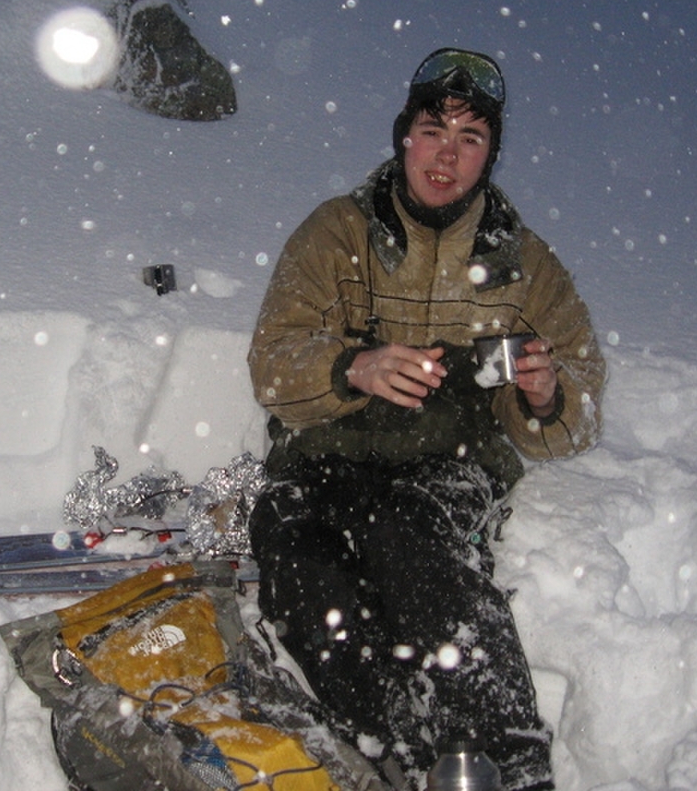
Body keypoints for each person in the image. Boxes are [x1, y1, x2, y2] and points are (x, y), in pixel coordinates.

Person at [246, 48, 606, 791]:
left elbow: (583, 399)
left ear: (489, 156)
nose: (447, 155)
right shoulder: (336, 232)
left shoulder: (523, 263)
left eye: (470, 138)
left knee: (409, 538)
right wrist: (353, 367)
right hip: (324, 458)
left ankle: (510, 765)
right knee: (300, 557)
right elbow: (272, 363)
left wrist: (545, 397)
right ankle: (403, 753)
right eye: (433, 130)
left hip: (450, 465)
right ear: (404, 136)